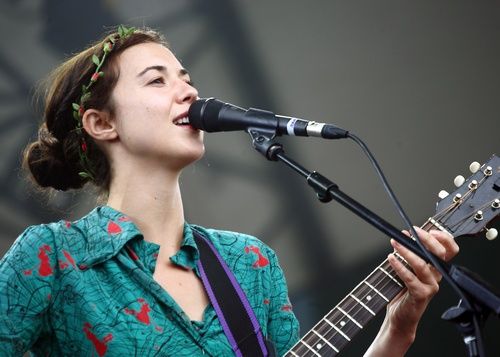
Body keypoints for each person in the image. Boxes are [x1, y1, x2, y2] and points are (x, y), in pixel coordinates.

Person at [0, 26, 458, 356]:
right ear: (102, 123)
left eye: (187, 79)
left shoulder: (249, 261)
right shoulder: (53, 257)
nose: (188, 93)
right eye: (158, 80)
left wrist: (397, 332)